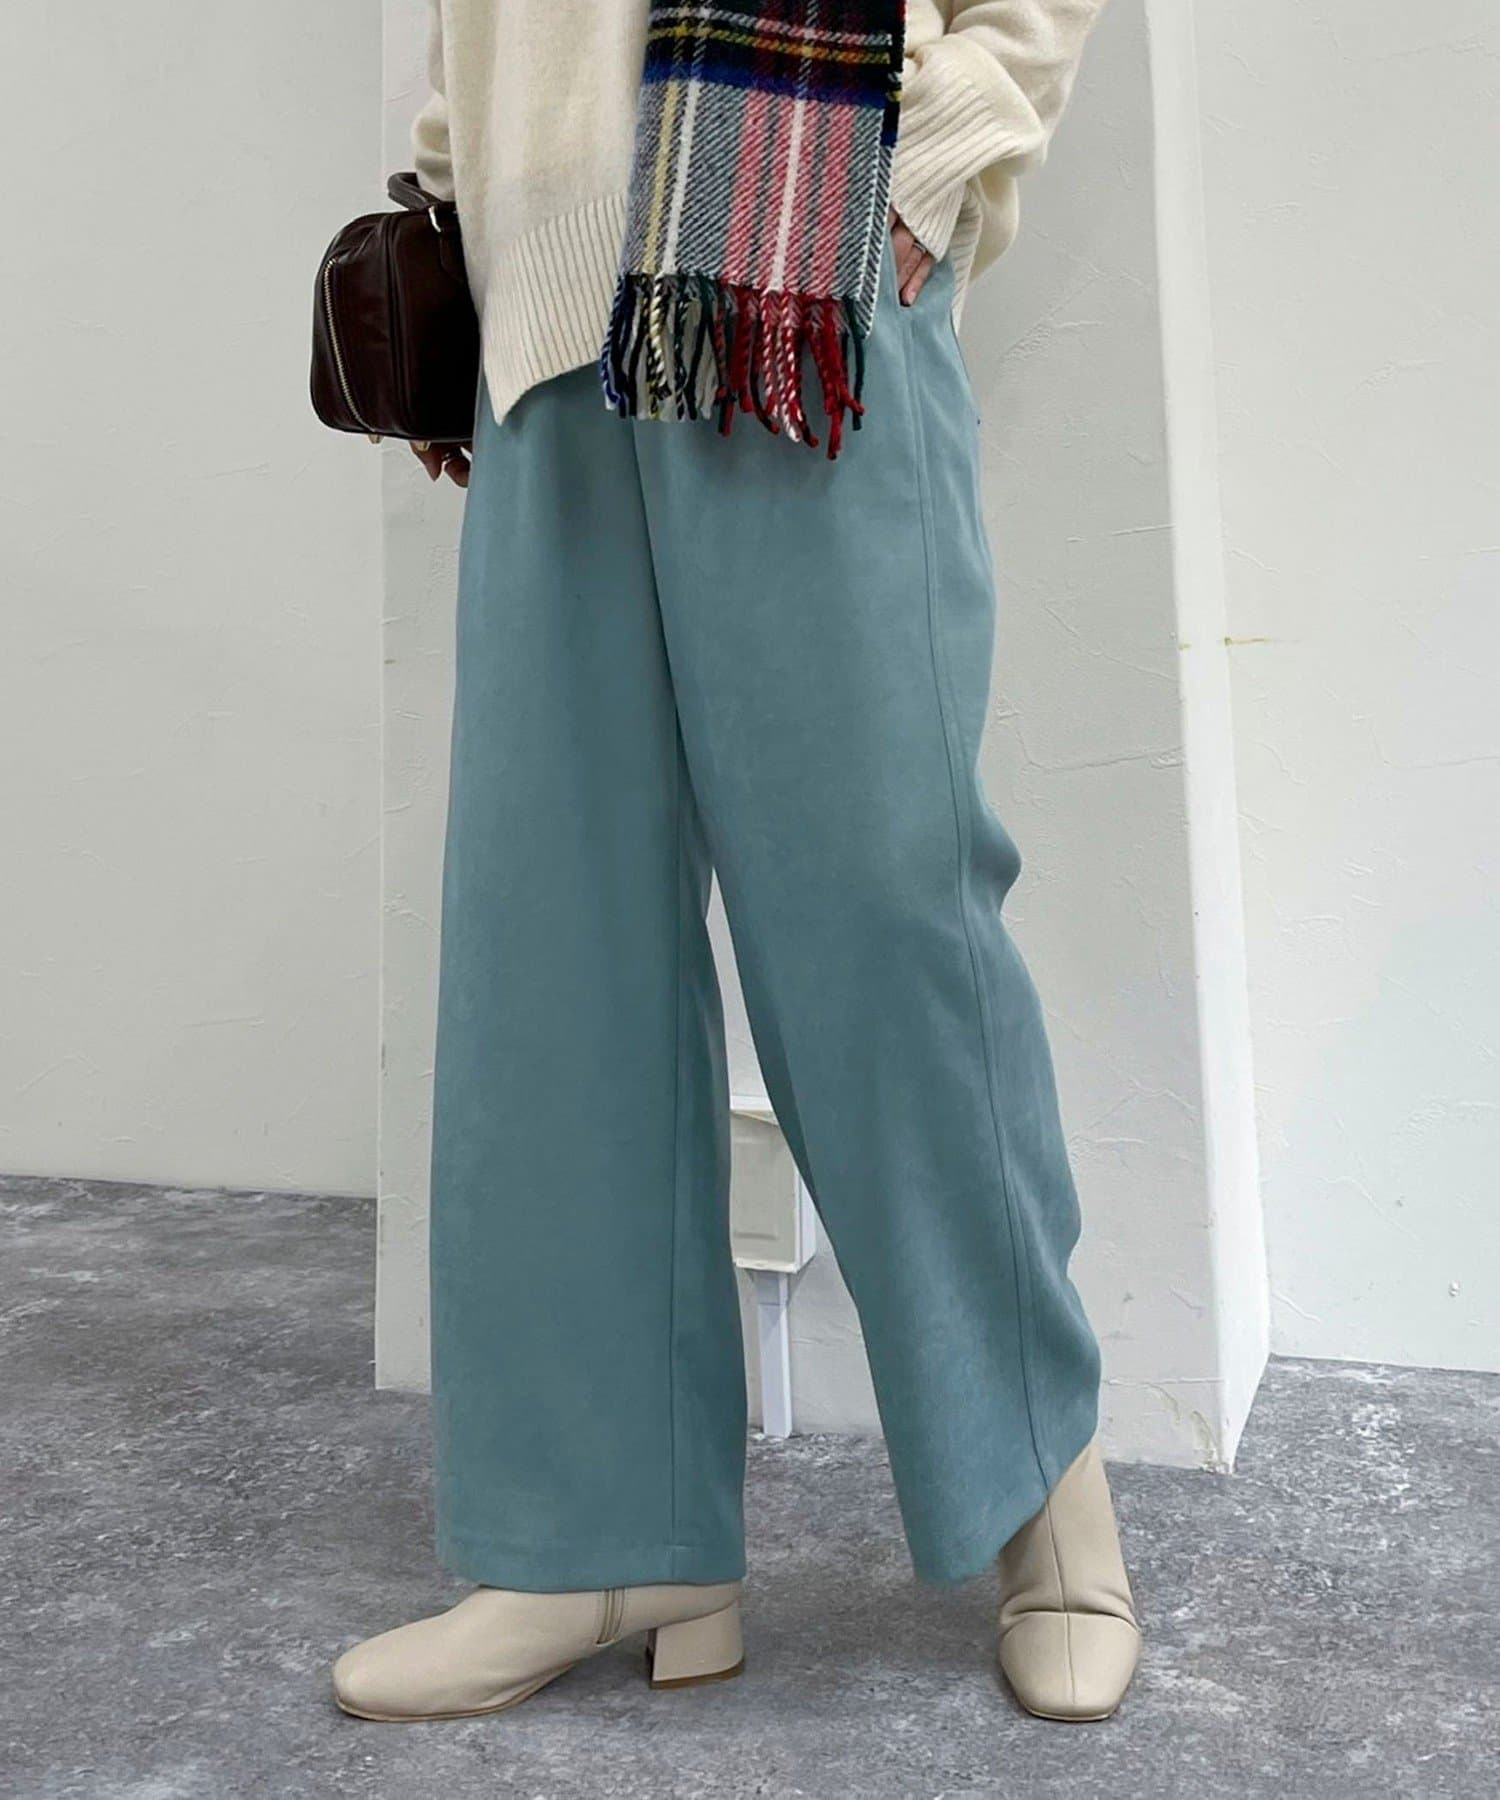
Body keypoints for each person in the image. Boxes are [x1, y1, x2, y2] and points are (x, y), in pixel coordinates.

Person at [333, 0, 1140, 1727]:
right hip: (546, 317)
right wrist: (451, 202)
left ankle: (1045, 1502)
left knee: (886, 916)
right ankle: (598, 1540)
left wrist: (925, 161)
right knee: (552, 953)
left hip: (799, 265)